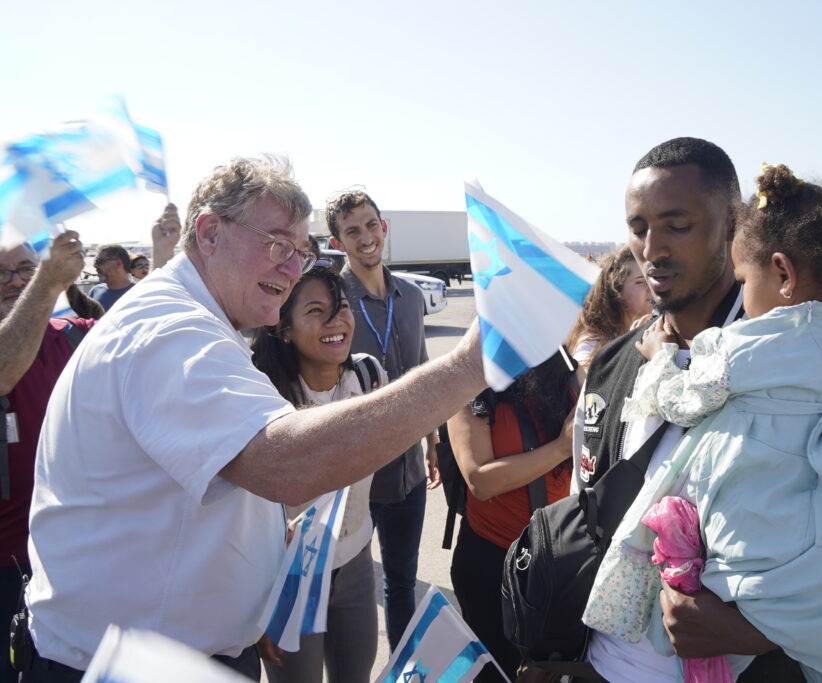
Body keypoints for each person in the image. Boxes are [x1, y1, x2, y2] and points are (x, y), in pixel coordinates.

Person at [23, 156, 486, 682]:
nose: (293, 269)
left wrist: (258, 561)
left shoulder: (196, 321)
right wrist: (471, 366)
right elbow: (285, 462)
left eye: (302, 251)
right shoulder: (171, 331)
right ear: (209, 232)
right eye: (277, 246)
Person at [570, 140, 822, 683]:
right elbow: (587, 518)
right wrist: (564, 646)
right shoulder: (613, 365)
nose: (651, 248)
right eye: (638, 227)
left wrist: (761, 629)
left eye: (676, 225)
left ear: (731, 228)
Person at [252, 266, 383, 683]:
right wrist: (259, 603)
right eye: (315, 311)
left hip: (357, 561)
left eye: (341, 308)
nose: (335, 322)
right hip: (289, 575)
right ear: (284, 329)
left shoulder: (369, 376)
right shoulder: (262, 397)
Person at [325, 188, 440, 650]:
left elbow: (424, 368)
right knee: (341, 586)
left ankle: (402, 668)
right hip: (352, 472)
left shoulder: (410, 296)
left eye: (371, 225)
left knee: (401, 583)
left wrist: (434, 441)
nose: (365, 237)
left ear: (384, 227)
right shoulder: (331, 302)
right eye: (352, 230)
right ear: (338, 242)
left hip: (408, 467)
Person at [447, 350, 579, 682]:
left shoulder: (565, 372)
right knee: (494, 672)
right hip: (490, 563)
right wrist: (561, 449)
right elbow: (481, 479)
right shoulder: (470, 381)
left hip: (555, 561)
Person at [0, 232, 88, 683]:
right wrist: (46, 282)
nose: (15, 281)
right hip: (6, 567)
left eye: (25, 270)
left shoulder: (74, 337)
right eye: (3, 273)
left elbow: (141, 337)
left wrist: (164, 251)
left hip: (71, 561)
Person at [566, 246, 652, 367]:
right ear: (615, 290)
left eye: (651, 279)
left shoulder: (652, 330)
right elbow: (588, 384)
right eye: (640, 281)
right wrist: (629, 348)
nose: (651, 288)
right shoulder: (593, 343)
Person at [87, 244, 133, 309]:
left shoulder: (138, 292)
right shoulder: (95, 291)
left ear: (118, 263)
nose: (95, 265)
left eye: (99, 261)